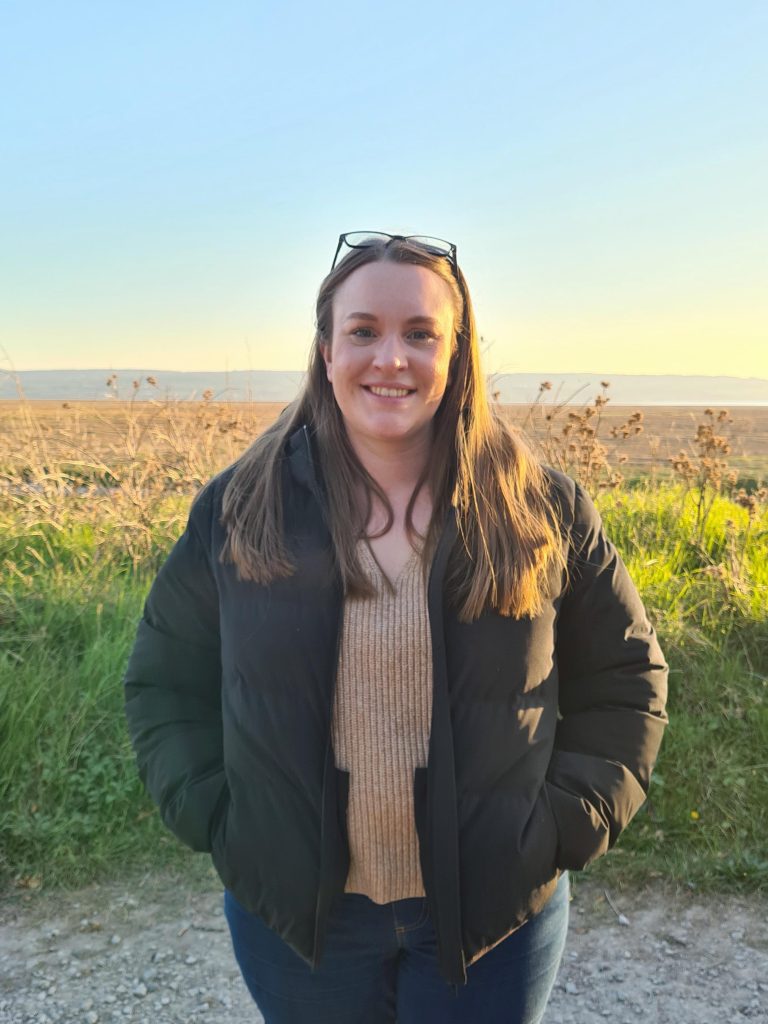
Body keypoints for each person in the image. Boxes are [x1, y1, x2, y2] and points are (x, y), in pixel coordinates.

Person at [124, 231, 669, 1023]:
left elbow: (627, 679)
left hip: (491, 918)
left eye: (420, 333)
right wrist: (218, 817)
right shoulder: (243, 506)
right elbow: (164, 682)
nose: (391, 359)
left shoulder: (539, 508)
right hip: (302, 928)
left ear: (458, 353)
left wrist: (557, 830)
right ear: (325, 350)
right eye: (363, 331)